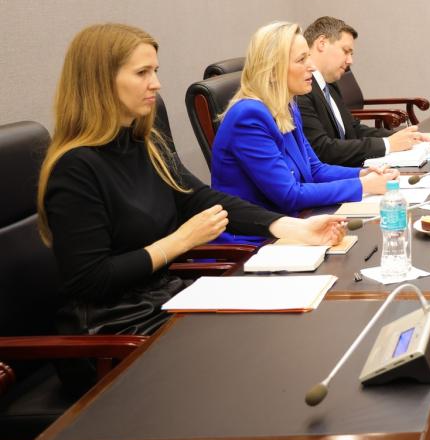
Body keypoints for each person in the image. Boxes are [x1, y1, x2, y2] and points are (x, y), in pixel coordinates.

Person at [38, 24, 346, 340]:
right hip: (118, 328)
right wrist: (181, 241)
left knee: (290, 319)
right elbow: (90, 280)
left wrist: (293, 228)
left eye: (155, 71)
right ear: (100, 82)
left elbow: (203, 199)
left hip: (164, 300)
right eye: (142, 73)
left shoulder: (147, 145)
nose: (156, 84)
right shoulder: (75, 167)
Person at [210, 22, 397, 242]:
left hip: (296, 224)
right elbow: (288, 194)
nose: (312, 66)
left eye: (309, 56)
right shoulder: (249, 117)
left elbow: (314, 170)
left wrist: (360, 174)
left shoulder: (288, 106)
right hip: (255, 242)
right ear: (272, 71)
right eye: (301, 60)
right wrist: (362, 186)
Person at [297, 16, 427, 167]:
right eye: (346, 51)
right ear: (322, 43)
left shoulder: (329, 85)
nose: (350, 61)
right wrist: (388, 144)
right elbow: (322, 150)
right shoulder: (301, 90)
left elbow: (353, 129)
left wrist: (404, 137)